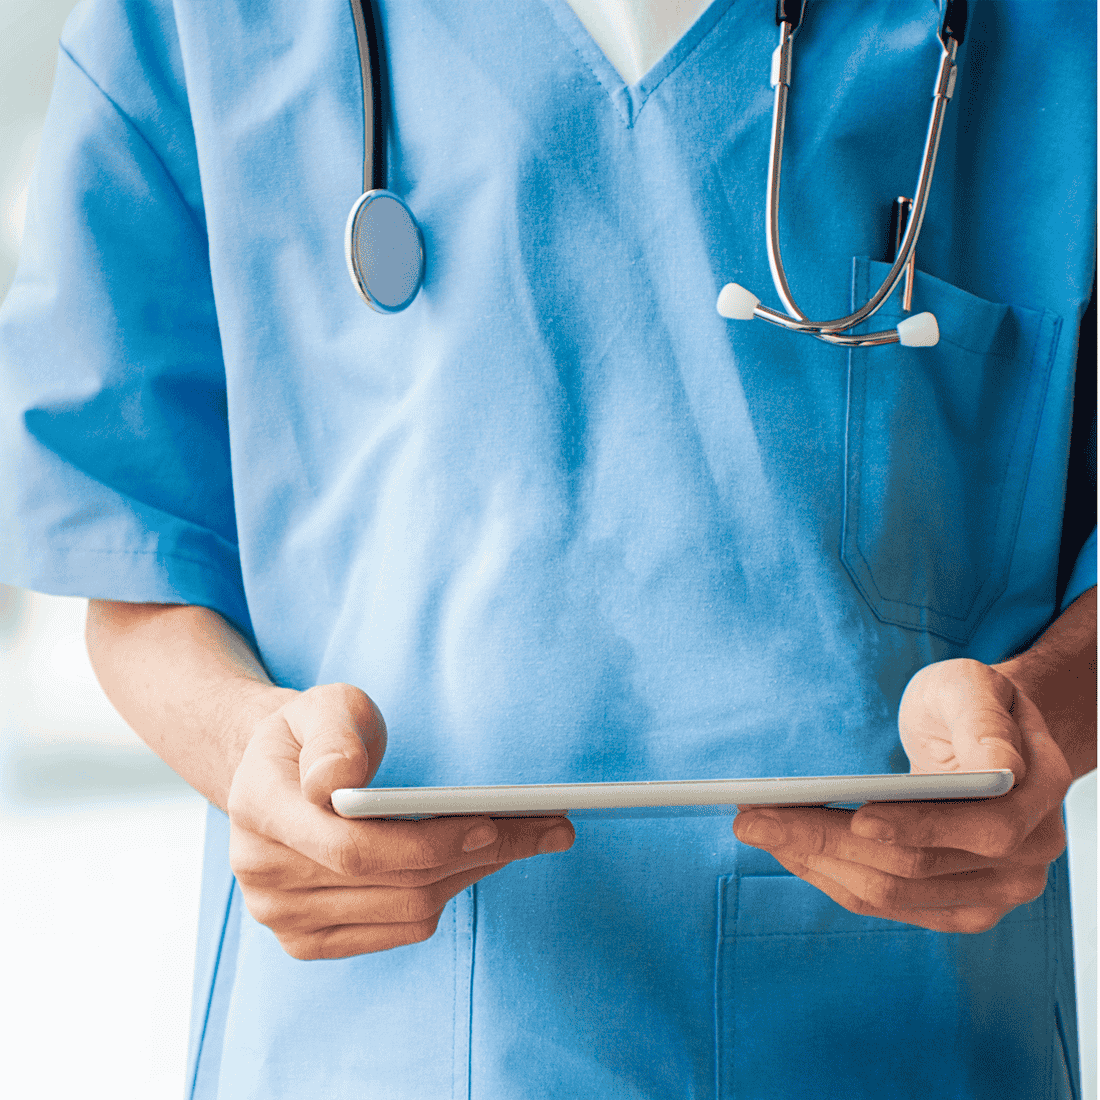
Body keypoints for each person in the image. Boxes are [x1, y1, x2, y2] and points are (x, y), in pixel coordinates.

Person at [1, 1, 1095, 1096]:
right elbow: (133, 548)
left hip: (898, 1035)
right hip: (380, 1040)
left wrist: (1037, 713)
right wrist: (248, 748)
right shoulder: (196, 22)